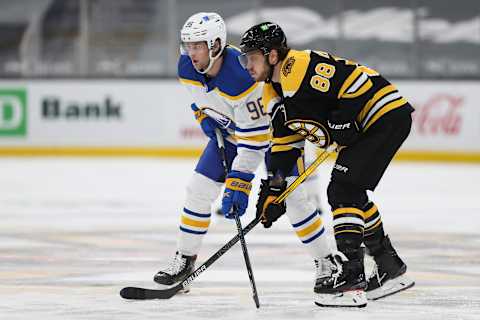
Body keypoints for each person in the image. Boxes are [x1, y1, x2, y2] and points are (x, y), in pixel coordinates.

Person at [153, 12, 334, 295]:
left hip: (275, 138)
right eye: (188, 45)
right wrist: (204, 116)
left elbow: (255, 141)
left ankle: (328, 262)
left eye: (198, 46)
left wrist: (239, 183)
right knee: (198, 190)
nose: (192, 52)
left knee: (295, 200)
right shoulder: (186, 66)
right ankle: (185, 259)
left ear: (215, 45)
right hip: (234, 136)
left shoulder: (242, 77)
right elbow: (202, 101)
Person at [239, 22, 415, 307]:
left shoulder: (299, 65)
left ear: (272, 55)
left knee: (342, 192)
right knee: (351, 194)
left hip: (384, 116)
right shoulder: (272, 93)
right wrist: (274, 190)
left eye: (252, 57)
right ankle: (389, 267)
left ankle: (351, 276)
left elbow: (359, 82)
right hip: (372, 126)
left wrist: (343, 117)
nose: (247, 64)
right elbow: (284, 147)